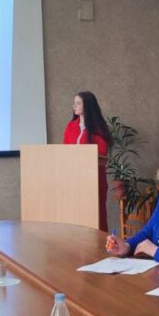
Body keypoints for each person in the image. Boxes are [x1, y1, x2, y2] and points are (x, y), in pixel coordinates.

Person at [62, 91, 112, 231]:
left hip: (93, 180)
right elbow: (64, 149)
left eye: (78, 103)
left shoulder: (99, 128)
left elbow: (101, 153)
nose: (74, 106)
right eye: (74, 103)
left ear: (88, 105)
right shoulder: (71, 126)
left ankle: (98, 243)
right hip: (73, 179)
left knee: (96, 217)